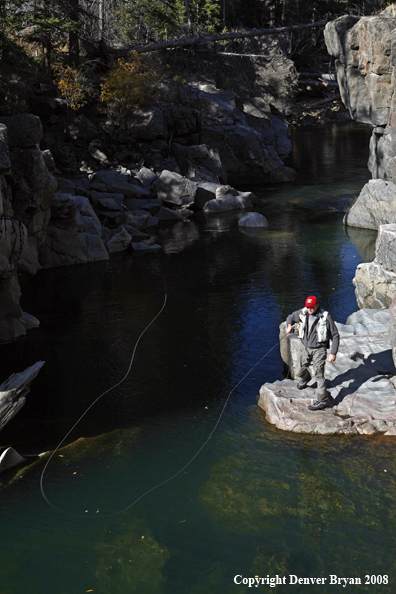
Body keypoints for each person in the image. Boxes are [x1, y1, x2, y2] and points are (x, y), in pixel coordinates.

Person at [285, 296, 340, 411]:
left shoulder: (326, 316)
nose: (309, 309)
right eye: (307, 307)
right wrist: (289, 325)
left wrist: (333, 353)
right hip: (305, 347)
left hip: (319, 349)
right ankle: (306, 378)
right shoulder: (302, 312)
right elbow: (290, 317)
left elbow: (335, 335)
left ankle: (323, 400)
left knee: (319, 374)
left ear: (317, 305)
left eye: (311, 307)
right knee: (299, 370)